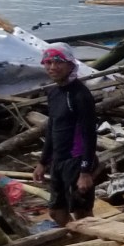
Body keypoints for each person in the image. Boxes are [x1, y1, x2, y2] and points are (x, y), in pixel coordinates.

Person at [32, 46, 100, 226]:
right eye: (48, 62)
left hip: (77, 161)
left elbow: (89, 134)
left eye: (58, 62)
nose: (52, 67)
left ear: (70, 64)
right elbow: (52, 128)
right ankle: (79, 240)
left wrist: (86, 172)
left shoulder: (80, 95)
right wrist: (43, 162)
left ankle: (91, 245)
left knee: (82, 212)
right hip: (58, 161)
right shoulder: (54, 93)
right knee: (55, 211)